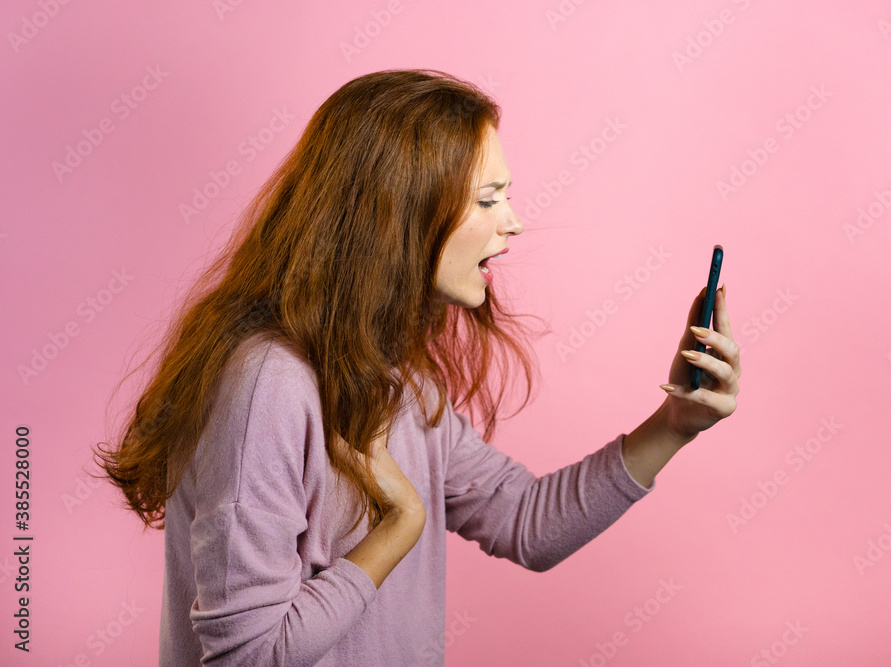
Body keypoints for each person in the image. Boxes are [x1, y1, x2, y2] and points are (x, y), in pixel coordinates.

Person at [93, 68, 740, 666]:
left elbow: (527, 520)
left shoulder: (397, 381)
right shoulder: (268, 384)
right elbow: (249, 656)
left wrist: (677, 420)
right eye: (488, 201)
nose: (512, 224)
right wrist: (399, 525)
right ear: (400, 215)